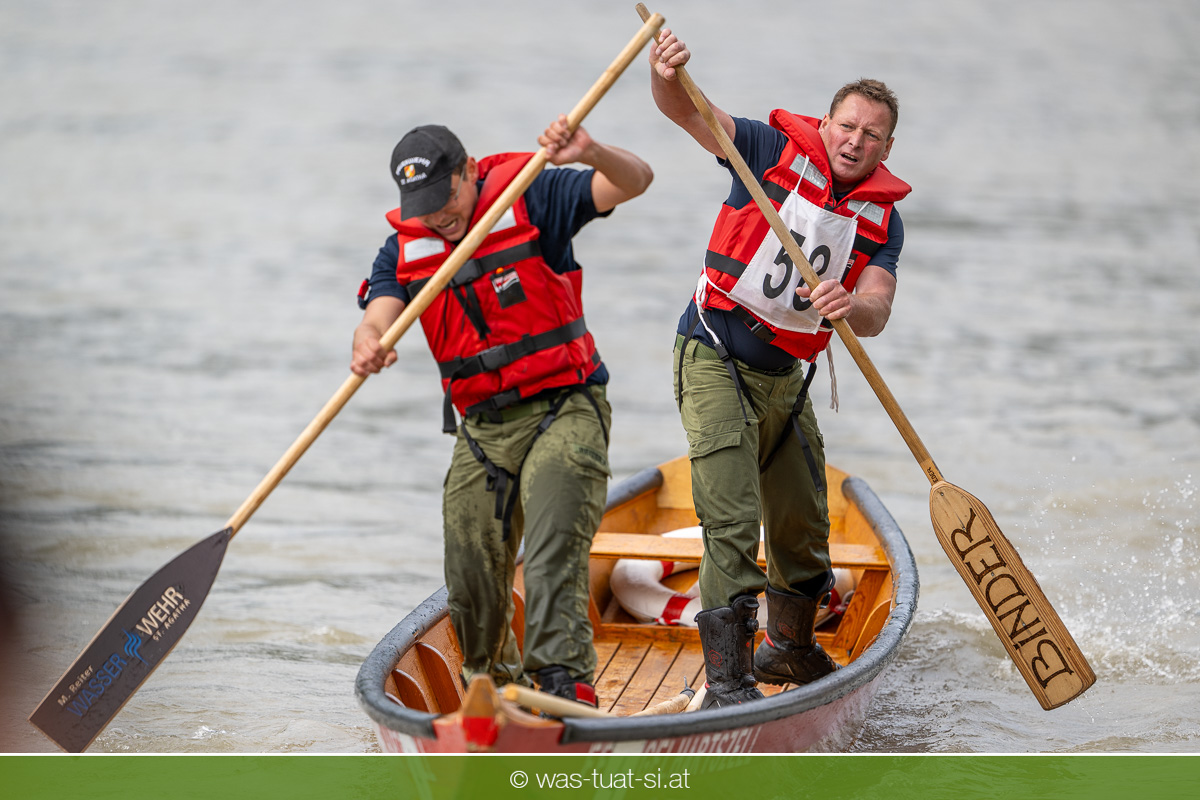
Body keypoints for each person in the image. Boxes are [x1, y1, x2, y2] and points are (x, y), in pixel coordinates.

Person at [649, 29, 911, 708]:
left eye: (872, 135)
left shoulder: (883, 221)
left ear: (886, 149)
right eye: (847, 126)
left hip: (786, 381)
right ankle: (728, 684)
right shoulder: (767, 150)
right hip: (714, 352)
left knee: (803, 522)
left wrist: (852, 304)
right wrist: (666, 73)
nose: (855, 141)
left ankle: (788, 649)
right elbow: (684, 111)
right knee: (733, 522)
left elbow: (877, 307)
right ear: (825, 124)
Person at [351, 117, 652, 706]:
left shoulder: (532, 195)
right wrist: (368, 341)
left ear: (469, 171)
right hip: (483, 430)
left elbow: (635, 180)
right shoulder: (403, 249)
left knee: (551, 548)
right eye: (423, 206)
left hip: (565, 406)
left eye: (446, 198)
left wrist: (591, 152)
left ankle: (563, 683)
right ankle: (494, 688)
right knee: (469, 569)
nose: (438, 216)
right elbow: (379, 312)